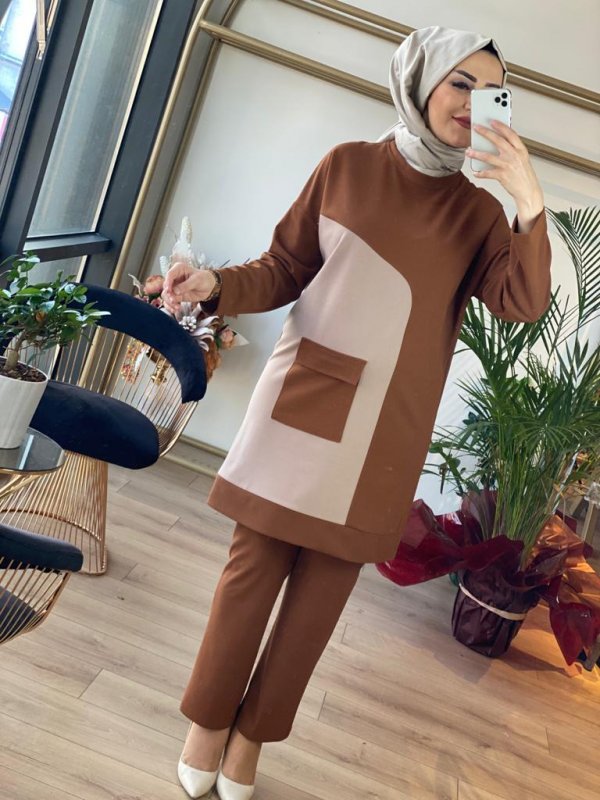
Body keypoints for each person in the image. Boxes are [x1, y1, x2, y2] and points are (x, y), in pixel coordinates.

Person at [162, 26, 551, 800]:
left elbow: (523, 301)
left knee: (319, 600)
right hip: (301, 400)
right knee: (250, 576)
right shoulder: (346, 165)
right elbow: (284, 267)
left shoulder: (478, 215)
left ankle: (253, 739)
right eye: (460, 83)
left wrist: (527, 198)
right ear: (421, 81)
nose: (473, 103)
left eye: (491, 91)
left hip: (385, 432)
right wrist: (215, 285)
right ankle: (206, 725)